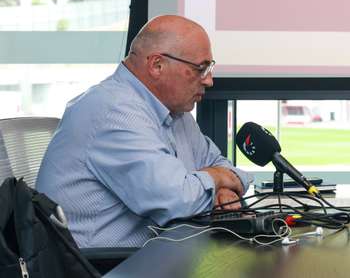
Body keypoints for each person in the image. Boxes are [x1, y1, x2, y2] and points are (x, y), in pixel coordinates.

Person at [36, 15, 251, 248]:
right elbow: (175, 201)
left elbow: (222, 164)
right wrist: (217, 179)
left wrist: (224, 188)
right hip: (102, 268)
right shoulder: (113, 110)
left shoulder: (176, 113)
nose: (209, 80)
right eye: (201, 68)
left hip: (153, 257)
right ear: (157, 65)